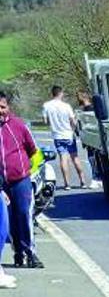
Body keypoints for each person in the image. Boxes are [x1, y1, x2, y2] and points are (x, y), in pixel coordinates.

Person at [0, 91, 43, 269]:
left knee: (24, 214)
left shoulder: (18, 125)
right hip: (2, 184)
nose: (0, 111)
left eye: (2, 107)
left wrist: (29, 171)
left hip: (21, 180)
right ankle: (18, 252)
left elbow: (33, 150)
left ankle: (30, 253)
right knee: (8, 220)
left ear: (7, 107)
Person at [42, 85, 90, 190]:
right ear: (60, 93)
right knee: (75, 158)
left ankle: (67, 183)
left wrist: (53, 123)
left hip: (57, 136)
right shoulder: (66, 106)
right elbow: (73, 121)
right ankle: (83, 181)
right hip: (68, 134)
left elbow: (45, 121)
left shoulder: (46, 106)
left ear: (53, 93)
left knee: (63, 158)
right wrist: (73, 129)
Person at [75, 89, 101, 189]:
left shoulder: (88, 109)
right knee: (92, 158)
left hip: (92, 137)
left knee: (93, 158)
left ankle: (96, 178)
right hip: (89, 137)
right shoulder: (84, 110)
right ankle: (96, 177)